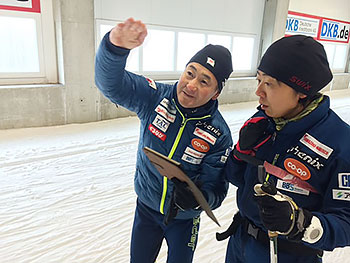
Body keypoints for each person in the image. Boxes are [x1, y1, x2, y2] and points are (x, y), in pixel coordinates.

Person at [94, 18, 233, 263]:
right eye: (190, 73)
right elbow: (111, 85)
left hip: (184, 220)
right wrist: (115, 49)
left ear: (216, 92)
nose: (191, 85)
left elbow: (217, 190)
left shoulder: (218, 134)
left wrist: (200, 198)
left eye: (204, 81)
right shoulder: (155, 97)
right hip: (146, 209)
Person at [221, 35, 350, 263]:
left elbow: (345, 223)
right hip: (240, 243)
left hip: (288, 255)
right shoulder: (264, 120)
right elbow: (235, 177)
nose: (258, 91)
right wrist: (241, 152)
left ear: (301, 91)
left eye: (269, 83)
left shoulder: (340, 143)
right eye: (258, 80)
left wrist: (299, 223)